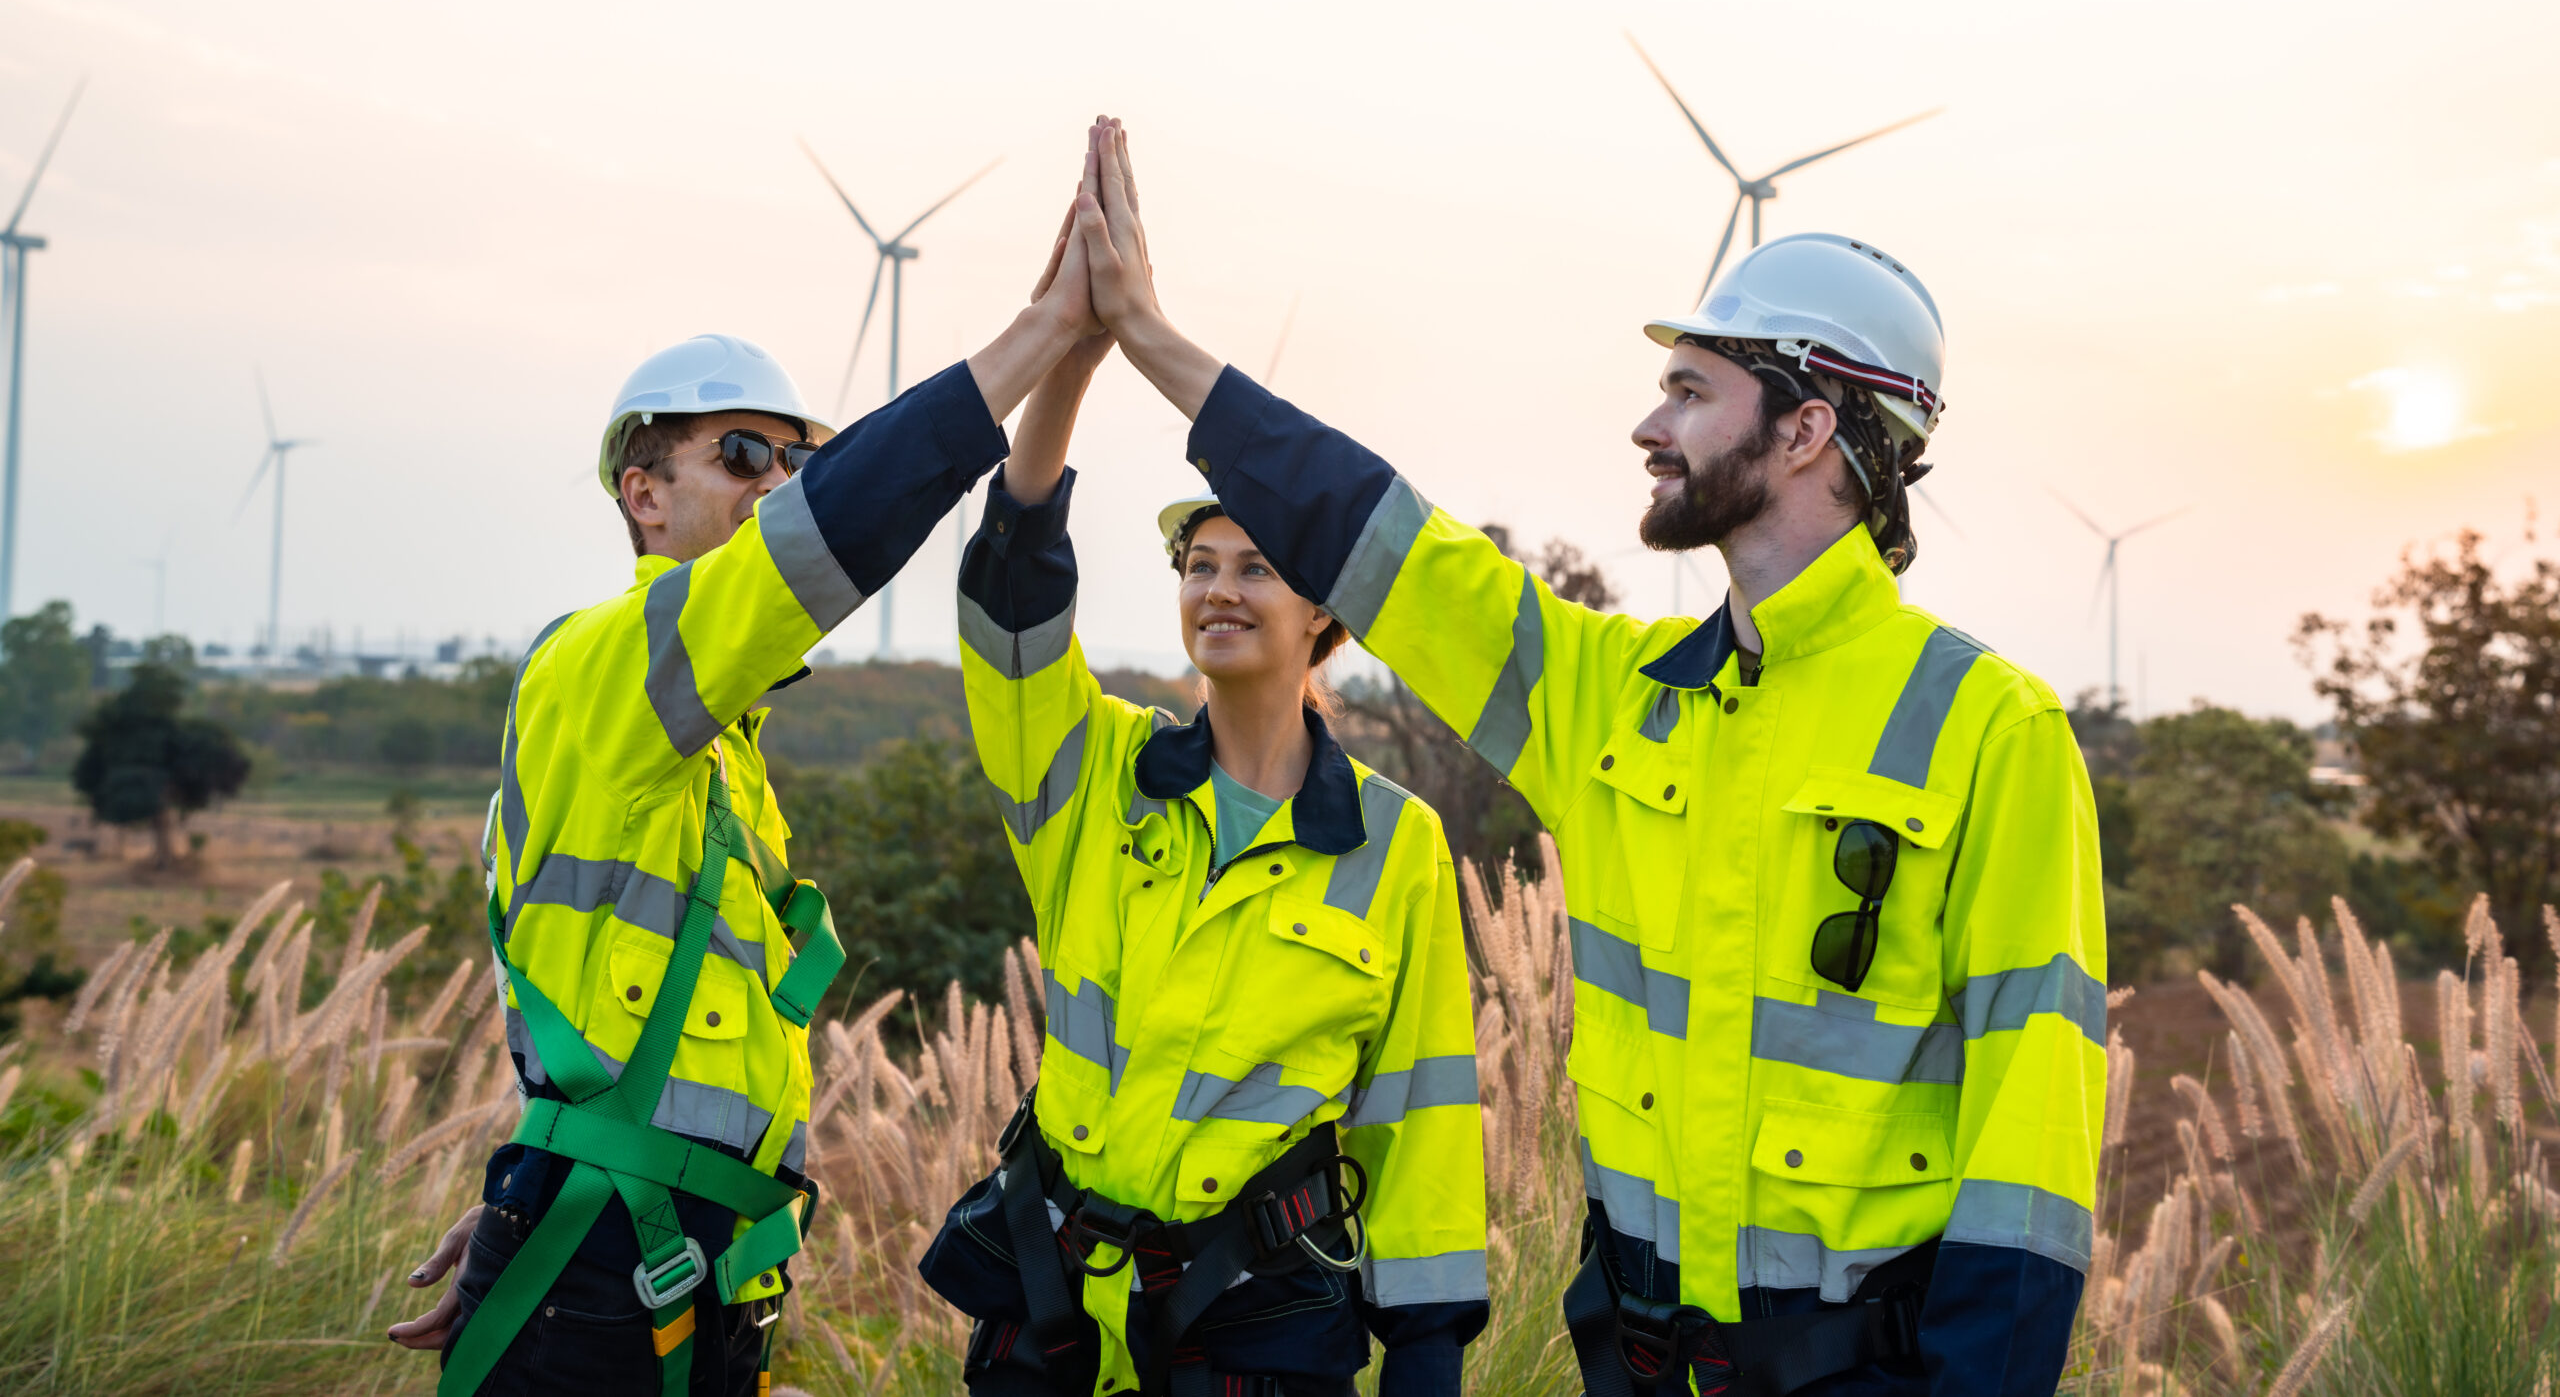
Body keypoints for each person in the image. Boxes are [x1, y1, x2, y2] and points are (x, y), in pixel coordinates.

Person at [1070, 117, 2105, 1396]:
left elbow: (2032, 1147)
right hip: (1631, 1360)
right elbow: (1392, 546)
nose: (1647, 425)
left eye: (1689, 390)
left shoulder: (1993, 732)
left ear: (1803, 430)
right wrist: (1161, 350)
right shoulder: (1611, 699)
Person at [389, 217, 1110, 1396]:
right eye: (739, 453)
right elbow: (832, 536)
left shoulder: (720, 747)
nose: (775, 485)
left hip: (657, 1257)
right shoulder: (604, 666)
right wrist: (1041, 338)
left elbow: (594, 996)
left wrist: (542, 1176)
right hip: (608, 1267)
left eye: (792, 462)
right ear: (644, 492)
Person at [918, 169, 1487, 1397]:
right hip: (1054, 1310)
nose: (1219, 588)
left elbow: (1421, 1121)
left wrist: (1428, 1362)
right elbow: (1012, 594)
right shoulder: (1094, 771)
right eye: (1198, 562)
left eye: (1257, 566)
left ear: (1325, 608)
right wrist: (1070, 351)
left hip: (1258, 1333)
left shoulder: (1395, 847)